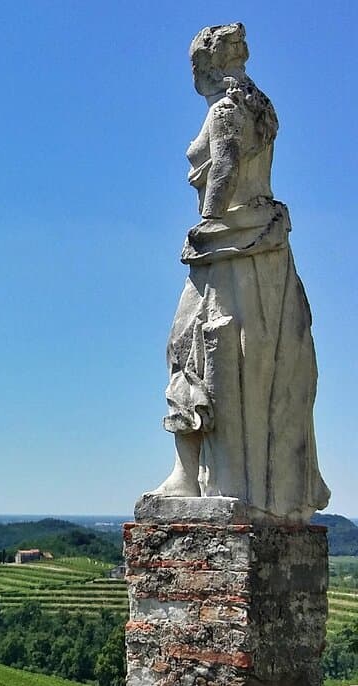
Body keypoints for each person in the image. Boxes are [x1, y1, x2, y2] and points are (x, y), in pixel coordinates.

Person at [148, 23, 329, 520]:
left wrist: (205, 222)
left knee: (186, 347)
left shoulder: (226, 110)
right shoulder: (258, 106)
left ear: (204, 66)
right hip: (263, 245)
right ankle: (237, 480)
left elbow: (224, 169)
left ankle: (189, 475)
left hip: (228, 243)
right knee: (252, 358)